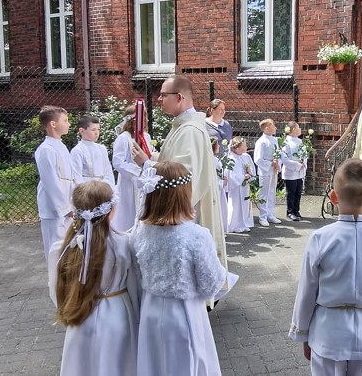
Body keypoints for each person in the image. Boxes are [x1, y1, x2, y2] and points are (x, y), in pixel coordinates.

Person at [289, 158, 362, 375]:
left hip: (327, 331)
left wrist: (303, 332)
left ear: (333, 197)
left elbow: (307, 291)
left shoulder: (320, 238)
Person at [131, 161, 227, 375]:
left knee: (154, 365)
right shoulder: (196, 235)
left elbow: (138, 273)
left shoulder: (139, 232)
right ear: (184, 194)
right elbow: (211, 284)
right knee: (186, 363)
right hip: (185, 313)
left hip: (150, 310)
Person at [48, 181, 138, 376]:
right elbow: (134, 287)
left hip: (80, 316)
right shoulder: (125, 244)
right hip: (119, 316)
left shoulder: (61, 249)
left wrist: (69, 308)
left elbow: (56, 291)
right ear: (111, 211)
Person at [153, 75, 230, 299]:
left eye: (163, 95)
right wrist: (154, 157)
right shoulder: (183, 126)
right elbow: (176, 161)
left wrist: (147, 164)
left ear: (179, 97)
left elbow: (183, 177)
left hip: (187, 212)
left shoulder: (190, 131)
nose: (158, 99)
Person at [34, 105, 75, 263]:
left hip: (67, 204)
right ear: (53, 124)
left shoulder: (61, 146)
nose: (69, 124)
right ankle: (56, 282)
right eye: (65, 120)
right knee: (56, 248)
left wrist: (73, 202)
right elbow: (50, 182)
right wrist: (64, 208)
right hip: (54, 208)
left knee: (67, 245)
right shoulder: (46, 149)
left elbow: (70, 177)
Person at [111, 105, 150, 233]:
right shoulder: (123, 138)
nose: (145, 120)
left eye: (145, 117)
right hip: (129, 183)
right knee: (128, 212)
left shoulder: (146, 136)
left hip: (144, 180)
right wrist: (136, 171)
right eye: (142, 117)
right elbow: (117, 162)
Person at [70, 114, 116, 190]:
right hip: (87, 190)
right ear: (82, 131)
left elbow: (108, 171)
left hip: (103, 189)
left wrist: (110, 188)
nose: (96, 133)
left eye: (98, 130)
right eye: (93, 130)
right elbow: (76, 176)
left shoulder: (102, 148)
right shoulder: (77, 150)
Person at [254, 118, 282, 227]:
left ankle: (271, 214)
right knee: (264, 193)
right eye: (273, 125)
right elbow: (258, 159)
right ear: (267, 128)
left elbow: (279, 153)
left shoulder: (275, 140)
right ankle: (263, 216)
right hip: (265, 171)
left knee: (272, 192)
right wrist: (271, 163)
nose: (275, 127)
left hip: (273, 170)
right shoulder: (261, 142)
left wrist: (277, 162)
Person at [226, 137, 255, 233]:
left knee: (245, 204)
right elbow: (233, 175)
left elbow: (251, 168)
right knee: (236, 205)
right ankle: (234, 224)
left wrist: (250, 175)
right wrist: (243, 177)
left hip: (245, 186)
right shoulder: (231, 159)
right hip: (236, 187)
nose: (246, 146)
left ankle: (244, 223)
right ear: (237, 148)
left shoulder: (246, 156)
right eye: (244, 145)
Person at [281, 121, 307, 221]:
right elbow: (284, 158)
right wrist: (296, 164)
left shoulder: (300, 142)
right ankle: (290, 211)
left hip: (300, 171)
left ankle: (297, 210)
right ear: (293, 130)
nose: (300, 129)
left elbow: (304, 154)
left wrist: (303, 162)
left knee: (298, 192)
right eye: (298, 127)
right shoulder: (286, 142)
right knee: (291, 192)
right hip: (290, 171)